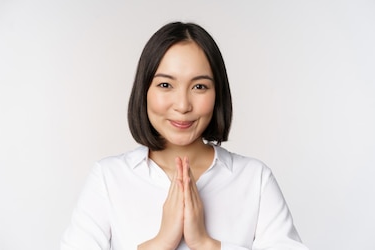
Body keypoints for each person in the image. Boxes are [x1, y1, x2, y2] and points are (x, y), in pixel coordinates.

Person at [61, 22, 308, 250]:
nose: (182, 105)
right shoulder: (108, 178)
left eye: (199, 86)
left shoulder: (255, 179)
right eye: (165, 85)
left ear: (217, 93)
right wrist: (160, 243)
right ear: (144, 90)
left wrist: (206, 243)